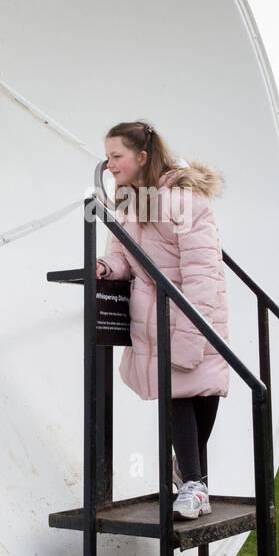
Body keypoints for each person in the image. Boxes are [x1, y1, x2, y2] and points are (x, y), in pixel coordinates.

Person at [95, 121, 228, 519]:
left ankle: (190, 475)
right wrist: (105, 266)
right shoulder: (127, 205)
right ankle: (194, 485)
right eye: (108, 156)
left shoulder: (186, 202)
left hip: (196, 311)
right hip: (156, 314)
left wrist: (193, 332)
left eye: (117, 156)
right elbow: (122, 256)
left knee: (202, 396)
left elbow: (203, 274)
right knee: (179, 395)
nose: (110, 164)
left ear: (142, 157)